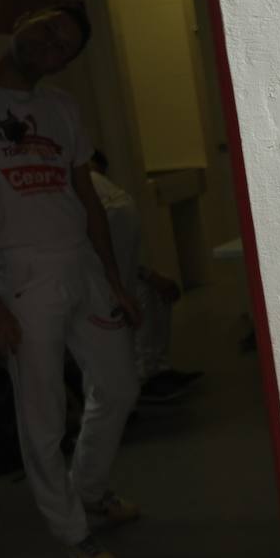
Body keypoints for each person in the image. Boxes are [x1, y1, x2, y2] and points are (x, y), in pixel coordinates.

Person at [0, 3, 142, 558]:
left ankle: (90, 487)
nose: (53, 44)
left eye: (65, 45)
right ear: (22, 21)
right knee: (42, 410)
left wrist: (115, 279)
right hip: (20, 272)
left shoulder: (61, 108)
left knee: (119, 382)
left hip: (82, 265)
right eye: (48, 29)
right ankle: (72, 532)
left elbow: (87, 197)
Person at [87, 150, 202, 403]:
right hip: (96, 283)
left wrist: (150, 275)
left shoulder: (110, 197)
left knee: (156, 292)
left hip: (113, 271)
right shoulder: (91, 190)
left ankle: (157, 370)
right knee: (137, 300)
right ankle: (143, 376)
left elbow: (122, 255)